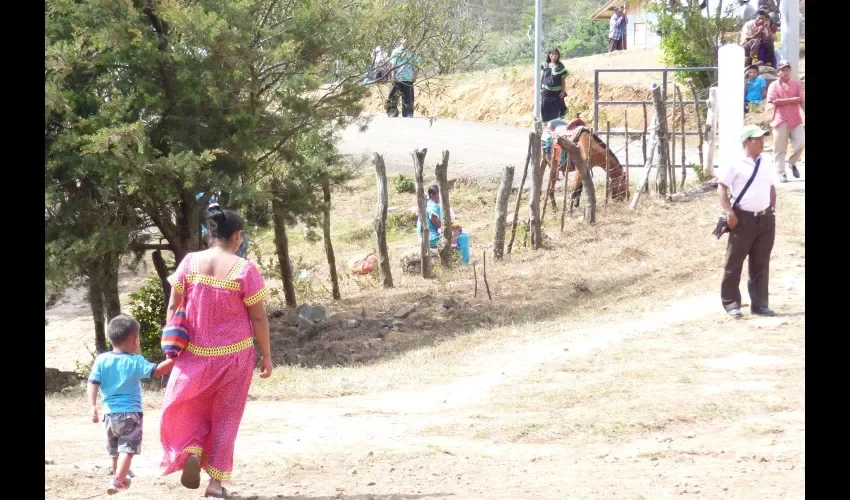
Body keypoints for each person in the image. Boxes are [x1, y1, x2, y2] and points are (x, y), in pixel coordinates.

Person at [160, 205, 273, 498]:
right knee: (226, 418)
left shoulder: (189, 262)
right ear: (237, 236)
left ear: (211, 234)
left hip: (193, 355)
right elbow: (258, 317)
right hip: (235, 357)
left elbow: (173, 306)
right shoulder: (245, 270)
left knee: (191, 407)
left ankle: (192, 450)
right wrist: (267, 355)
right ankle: (215, 484)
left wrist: (171, 346)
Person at [87, 315, 175, 494]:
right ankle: (118, 480)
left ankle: (117, 477)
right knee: (128, 449)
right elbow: (158, 371)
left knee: (115, 450)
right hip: (130, 414)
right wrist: (176, 359)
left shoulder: (102, 359)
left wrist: (92, 406)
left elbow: (92, 382)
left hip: (109, 415)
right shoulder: (135, 361)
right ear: (134, 339)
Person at [718, 125, 777, 319]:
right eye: (757, 139)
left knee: (761, 262)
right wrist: (729, 213)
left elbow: (771, 186)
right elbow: (722, 188)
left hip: (765, 219)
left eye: (762, 138)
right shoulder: (735, 163)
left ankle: (760, 304)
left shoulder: (766, 161)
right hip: (743, 219)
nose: (762, 142)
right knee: (734, 262)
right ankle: (731, 304)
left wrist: (772, 210)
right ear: (746, 142)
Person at [766, 59, 805, 183]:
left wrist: (788, 101)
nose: (786, 72)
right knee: (779, 148)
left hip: (796, 119)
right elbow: (773, 101)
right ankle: (781, 173)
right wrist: (793, 100)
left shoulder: (796, 84)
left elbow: (802, 100)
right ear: (778, 72)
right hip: (780, 120)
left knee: (801, 143)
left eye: (787, 69)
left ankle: (792, 163)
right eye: (783, 70)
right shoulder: (773, 85)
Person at [416, 185, 471, 263]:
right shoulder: (432, 207)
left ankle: (458, 258)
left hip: (425, 236)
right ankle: (461, 262)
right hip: (431, 238)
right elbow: (439, 226)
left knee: (458, 233)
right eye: (439, 194)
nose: (441, 196)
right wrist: (454, 228)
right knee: (462, 236)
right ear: (432, 195)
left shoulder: (429, 204)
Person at [386, 38, 421, 118]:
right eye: (404, 38)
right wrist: (392, 76)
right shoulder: (396, 51)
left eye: (408, 38)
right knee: (393, 96)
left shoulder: (413, 52)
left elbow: (417, 65)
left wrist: (415, 75)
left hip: (408, 79)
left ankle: (408, 113)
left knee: (408, 98)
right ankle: (392, 112)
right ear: (401, 40)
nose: (406, 40)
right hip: (397, 78)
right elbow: (393, 65)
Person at [540, 48, 568, 123]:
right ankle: (547, 126)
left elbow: (563, 80)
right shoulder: (545, 65)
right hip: (546, 93)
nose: (554, 56)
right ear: (549, 55)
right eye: (552, 54)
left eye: (556, 54)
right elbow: (542, 77)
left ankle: (556, 126)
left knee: (556, 112)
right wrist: (540, 88)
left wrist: (563, 91)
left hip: (557, 94)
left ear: (558, 55)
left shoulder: (560, 66)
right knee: (545, 109)